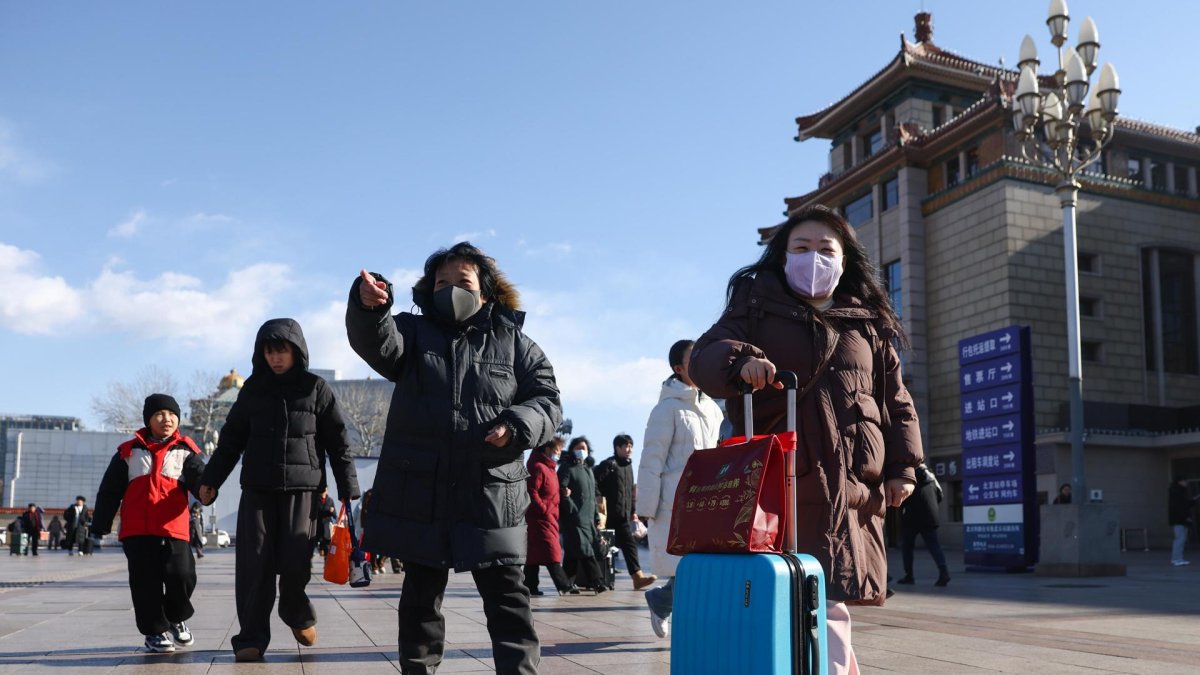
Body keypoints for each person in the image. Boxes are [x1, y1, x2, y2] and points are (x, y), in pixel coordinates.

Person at [690, 204, 923, 675]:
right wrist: (740, 362)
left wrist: (904, 468)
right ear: (781, 256)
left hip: (851, 484)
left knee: (825, 595)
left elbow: (895, 401)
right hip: (781, 481)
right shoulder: (755, 307)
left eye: (825, 249)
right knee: (802, 594)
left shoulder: (868, 324)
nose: (813, 258)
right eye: (801, 248)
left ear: (844, 260)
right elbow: (705, 355)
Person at [346, 242, 561, 675]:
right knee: (420, 602)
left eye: (462, 281)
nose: (450, 290)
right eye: (441, 282)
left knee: (509, 602)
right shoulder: (410, 331)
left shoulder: (516, 344)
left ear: (485, 291)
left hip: (492, 491)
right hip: (423, 492)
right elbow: (376, 341)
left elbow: (547, 401)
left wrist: (517, 426)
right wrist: (369, 307)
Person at [199, 318, 361, 663]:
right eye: (269, 351)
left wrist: (348, 487)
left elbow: (339, 443)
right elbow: (230, 441)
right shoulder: (253, 389)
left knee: (295, 564)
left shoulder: (316, 389)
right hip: (257, 489)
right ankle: (251, 639)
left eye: (281, 350)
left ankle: (296, 611)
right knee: (253, 566)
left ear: (296, 351)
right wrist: (211, 479)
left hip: (302, 491)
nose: (275, 358)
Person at [92, 394, 208, 653]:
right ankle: (154, 631)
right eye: (159, 414)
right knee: (145, 583)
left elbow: (200, 479)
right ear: (148, 419)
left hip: (174, 528)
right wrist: (101, 523)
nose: (166, 419)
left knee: (183, 575)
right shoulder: (128, 452)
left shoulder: (186, 451)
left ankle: (175, 616)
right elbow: (109, 490)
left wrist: (206, 492)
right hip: (138, 531)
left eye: (171, 414)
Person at [637, 338, 724, 639]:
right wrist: (646, 509)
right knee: (688, 569)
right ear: (678, 368)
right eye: (693, 358)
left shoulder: (712, 408)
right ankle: (666, 605)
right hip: (674, 501)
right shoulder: (666, 410)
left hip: (708, 498)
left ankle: (661, 601)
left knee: (702, 567)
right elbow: (651, 461)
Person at [594, 434, 657, 591]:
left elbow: (629, 492)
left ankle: (638, 578)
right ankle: (596, 578)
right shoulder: (609, 464)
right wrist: (599, 497)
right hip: (608, 517)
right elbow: (593, 481)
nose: (629, 450)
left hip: (622, 517)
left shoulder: (628, 466)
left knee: (630, 547)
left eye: (631, 446)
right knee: (604, 550)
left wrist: (633, 511)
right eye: (626, 446)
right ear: (617, 448)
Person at [524, 437, 576, 596]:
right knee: (551, 551)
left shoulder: (550, 468)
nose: (558, 454)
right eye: (556, 450)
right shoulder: (538, 467)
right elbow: (531, 491)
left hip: (550, 517)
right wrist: (543, 508)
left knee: (534, 554)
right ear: (546, 449)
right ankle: (564, 584)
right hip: (540, 517)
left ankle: (530, 585)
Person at [557, 436, 607, 594]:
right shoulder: (566, 468)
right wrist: (571, 508)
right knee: (586, 551)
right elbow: (561, 491)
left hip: (588, 519)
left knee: (573, 552)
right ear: (571, 450)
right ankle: (597, 582)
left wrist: (596, 517)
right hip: (573, 518)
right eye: (577, 448)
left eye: (583, 448)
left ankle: (566, 584)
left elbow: (592, 497)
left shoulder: (588, 471)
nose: (581, 451)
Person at [896, 464, 950, 587]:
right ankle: (944, 572)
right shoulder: (931, 476)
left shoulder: (908, 474)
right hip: (930, 515)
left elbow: (903, 494)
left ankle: (909, 576)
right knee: (934, 545)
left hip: (912, 516)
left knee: (907, 547)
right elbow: (940, 494)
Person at [1169, 476, 1198, 567]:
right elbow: (1180, 507)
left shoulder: (1176, 492)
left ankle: (1177, 558)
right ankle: (1177, 559)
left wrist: (1194, 499)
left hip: (1179, 519)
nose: (1187, 483)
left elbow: (1185, 504)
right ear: (1180, 482)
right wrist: (1185, 517)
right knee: (1180, 539)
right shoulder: (1177, 492)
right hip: (1179, 520)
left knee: (1180, 539)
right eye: (1185, 481)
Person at [312, 487, 336, 557]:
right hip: (318, 526)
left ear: (327, 491)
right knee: (316, 545)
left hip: (326, 527)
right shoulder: (316, 500)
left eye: (325, 490)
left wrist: (332, 511)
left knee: (327, 547)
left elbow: (335, 515)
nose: (323, 492)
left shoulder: (330, 500)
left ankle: (326, 561)